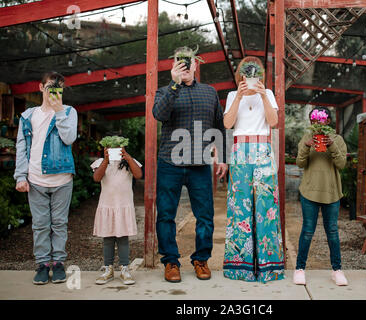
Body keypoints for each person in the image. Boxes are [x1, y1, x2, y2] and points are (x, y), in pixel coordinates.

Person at [152, 46, 228, 283]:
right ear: (173, 65)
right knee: (166, 215)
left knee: (204, 215)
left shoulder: (209, 92)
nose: (184, 65)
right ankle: (171, 262)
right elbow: (159, 115)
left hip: (200, 164)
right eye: (179, 62)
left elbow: (219, 125)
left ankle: (201, 259)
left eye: (188, 62)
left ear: (196, 64)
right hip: (169, 162)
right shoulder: (164, 91)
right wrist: (174, 84)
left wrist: (222, 155)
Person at [222, 56, 284, 283]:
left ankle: (270, 267)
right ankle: (240, 267)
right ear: (240, 74)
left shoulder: (267, 94)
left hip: (262, 149)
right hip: (240, 151)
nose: (250, 76)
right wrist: (239, 96)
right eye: (246, 72)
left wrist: (261, 94)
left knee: (266, 205)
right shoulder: (231, 95)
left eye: (254, 72)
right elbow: (228, 124)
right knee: (239, 206)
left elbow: (273, 121)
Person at [14, 71, 77, 285]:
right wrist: (20, 176)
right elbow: (21, 148)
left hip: (62, 180)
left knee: (59, 224)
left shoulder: (69, 112)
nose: (53, 91)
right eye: (50, 87)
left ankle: (58, 264)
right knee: (40, 225)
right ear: (41, 87)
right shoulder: (27, 116)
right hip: (35, 179)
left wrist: (59, 111)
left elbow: (69, 139)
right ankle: (42, 265)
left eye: (58, 88)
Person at [294, 106, 348, 286]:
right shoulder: (307, 138)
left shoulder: (338, 139)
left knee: (332, 231)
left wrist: (331, 144)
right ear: (311, 123)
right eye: (314, 121)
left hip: (331, 193)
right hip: (309, 192)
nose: (318, 123)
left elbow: (341, 164)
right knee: (307, 231)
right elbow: (300, 163)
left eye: (321, 120)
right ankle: (300, 269)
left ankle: (337, 270)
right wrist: (306, 146)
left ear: (328, 121)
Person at [90, 143, 142, 285]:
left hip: (123, 206)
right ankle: (108, 269)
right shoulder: (101, 163)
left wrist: (127, 157)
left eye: (118, 147)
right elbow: (96, 178)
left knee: (123, 237)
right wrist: (106, 160)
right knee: (108, 238)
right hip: (107, 206)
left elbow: (138, 174)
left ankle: (125, 268)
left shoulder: (128, 162)